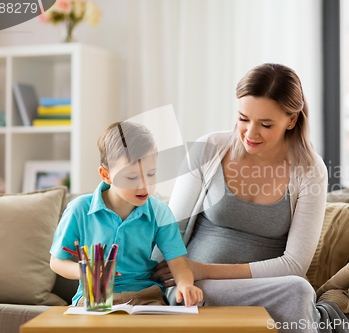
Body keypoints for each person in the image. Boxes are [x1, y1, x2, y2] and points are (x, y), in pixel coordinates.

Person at [151, 63, 328, 333]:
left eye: (266, 124)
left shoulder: (310, 170)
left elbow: (294, 264)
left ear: (292, 120)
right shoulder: (210, 149)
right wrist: (152, 282)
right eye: (243, 118)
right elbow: (170, 230)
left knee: (299, 289)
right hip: (195, 288)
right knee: (192, 295)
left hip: (261, 288)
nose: (250, 133)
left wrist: (204, 269)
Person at [50, 121, 203, 307]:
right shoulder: (79, 209)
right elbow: (57, 262)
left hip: (146, 297)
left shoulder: (160, 212)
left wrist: (185, 285)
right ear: (106, 175)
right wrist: (85, 271)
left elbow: (179, 265)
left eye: (151, 174)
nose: (144, 186)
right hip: (95, 297)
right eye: (132, 177)